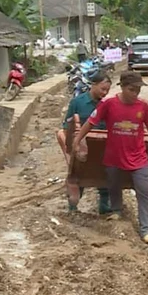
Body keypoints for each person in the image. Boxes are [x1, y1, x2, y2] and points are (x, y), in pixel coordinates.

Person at [73, 72, 148, 245]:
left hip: (138, 156)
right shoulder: (108, 104)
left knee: (143, 190)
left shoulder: (143, 107)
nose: (135, 93)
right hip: (114, 155)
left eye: (138, 89)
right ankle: (116, 210)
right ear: (122, 87)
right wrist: (78, 139)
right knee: (113, 183)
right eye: (131, 89)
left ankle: (145, 229)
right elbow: (91, 123)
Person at [57, 71, 113, 214]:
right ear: (93, 85)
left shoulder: (107, 105)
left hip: (102, 144)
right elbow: (66, 127)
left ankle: (104, 204)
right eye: (102, 89)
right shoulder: (77, 102)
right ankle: (73, 207)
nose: (105, 93)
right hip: (82, 145)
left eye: (107, 90)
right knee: (78, 172)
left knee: (104, 173)